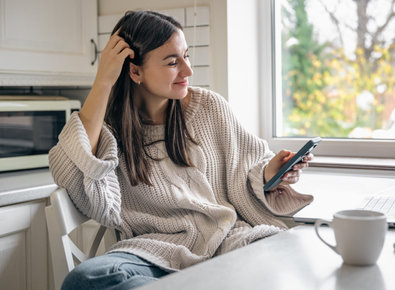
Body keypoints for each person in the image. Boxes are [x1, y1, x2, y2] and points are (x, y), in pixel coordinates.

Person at [49, 10, 314, 290]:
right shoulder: (108, 131)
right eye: (172, 62)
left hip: (226, 243)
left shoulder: (209, 107)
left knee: (289, 257)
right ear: (135, 70)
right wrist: (104, 80)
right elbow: (72, 176)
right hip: (154, 254)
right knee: (85, 279)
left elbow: (247, 167)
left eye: (186, 56)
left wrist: (271, 172)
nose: (188, 71)